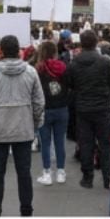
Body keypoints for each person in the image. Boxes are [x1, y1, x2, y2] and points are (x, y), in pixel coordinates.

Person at [0, 35, 45, 216]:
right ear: (18, 51)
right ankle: (26, 209)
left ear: (2, 51)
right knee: (24, 172)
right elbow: (39, 102)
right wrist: (35, 124)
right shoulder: (30, 72)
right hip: (23, 128)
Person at [68, 28, 110, 189]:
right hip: (101, 107)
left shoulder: (74, 63)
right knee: (106, 143)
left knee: (86, 143)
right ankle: (107, 178)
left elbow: (69, 83)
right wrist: (106, 92)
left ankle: (87, 177)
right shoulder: (104, 61)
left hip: (83, 107)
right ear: (95, 42)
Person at [33, 40, 72, 186]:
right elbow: (69, 86)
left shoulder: (38, 69)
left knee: (45, 142)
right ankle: (61, 172)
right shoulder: (63, 67)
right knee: (60, 141)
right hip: (62, 108)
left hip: (45, 109)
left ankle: (47, 172)